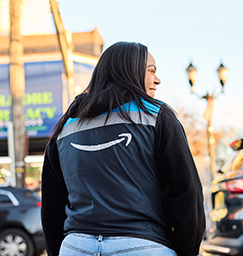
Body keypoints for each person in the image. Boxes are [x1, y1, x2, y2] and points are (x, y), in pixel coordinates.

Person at [41, 41, 205, 256]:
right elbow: (186, 194)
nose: (157, 79)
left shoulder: (64, 128)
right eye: (151, 71)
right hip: (142, 245)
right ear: (130, 70)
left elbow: (51, 208)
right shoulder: (156, 116)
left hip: (76, 246)